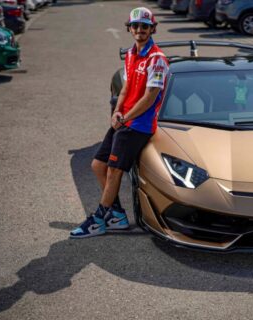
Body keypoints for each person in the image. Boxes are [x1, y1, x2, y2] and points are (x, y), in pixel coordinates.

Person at [70, 7, 169, 238]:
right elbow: (125, 89)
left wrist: (126, 116)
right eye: (135, 26)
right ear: (130, 29)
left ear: (152, 29)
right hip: (124, 120)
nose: (140, 30)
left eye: (145, 26)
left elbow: (150, 96)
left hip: (139, 125)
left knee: (114, 170)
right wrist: (116, 112)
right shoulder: (131, 55)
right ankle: (118, 216)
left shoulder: (158, 59)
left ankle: (98, 220)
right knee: (98, 165)